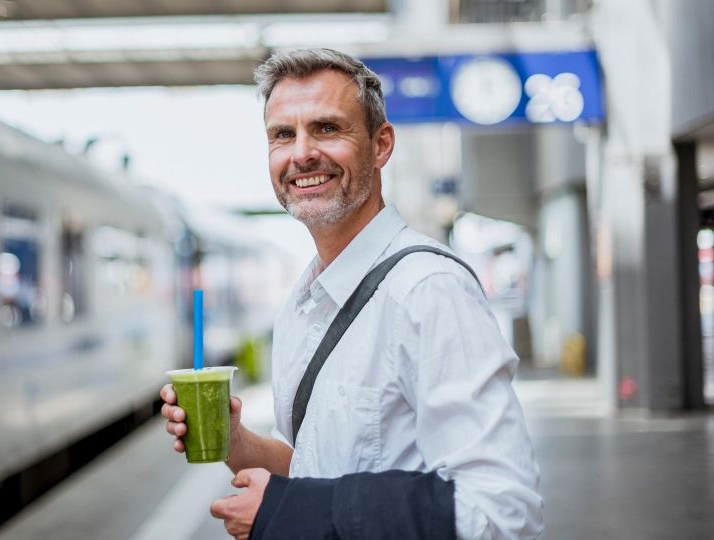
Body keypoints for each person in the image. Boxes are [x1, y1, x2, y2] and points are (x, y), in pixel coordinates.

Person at [160, 48, 543, 539]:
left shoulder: (428, 291)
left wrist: (295, 513)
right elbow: (313, 469)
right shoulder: (302, 302)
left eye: (326, 128)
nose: (301, 154)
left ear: (381, 145)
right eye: (283, 134)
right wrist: (236, 441)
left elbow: (503, 512)